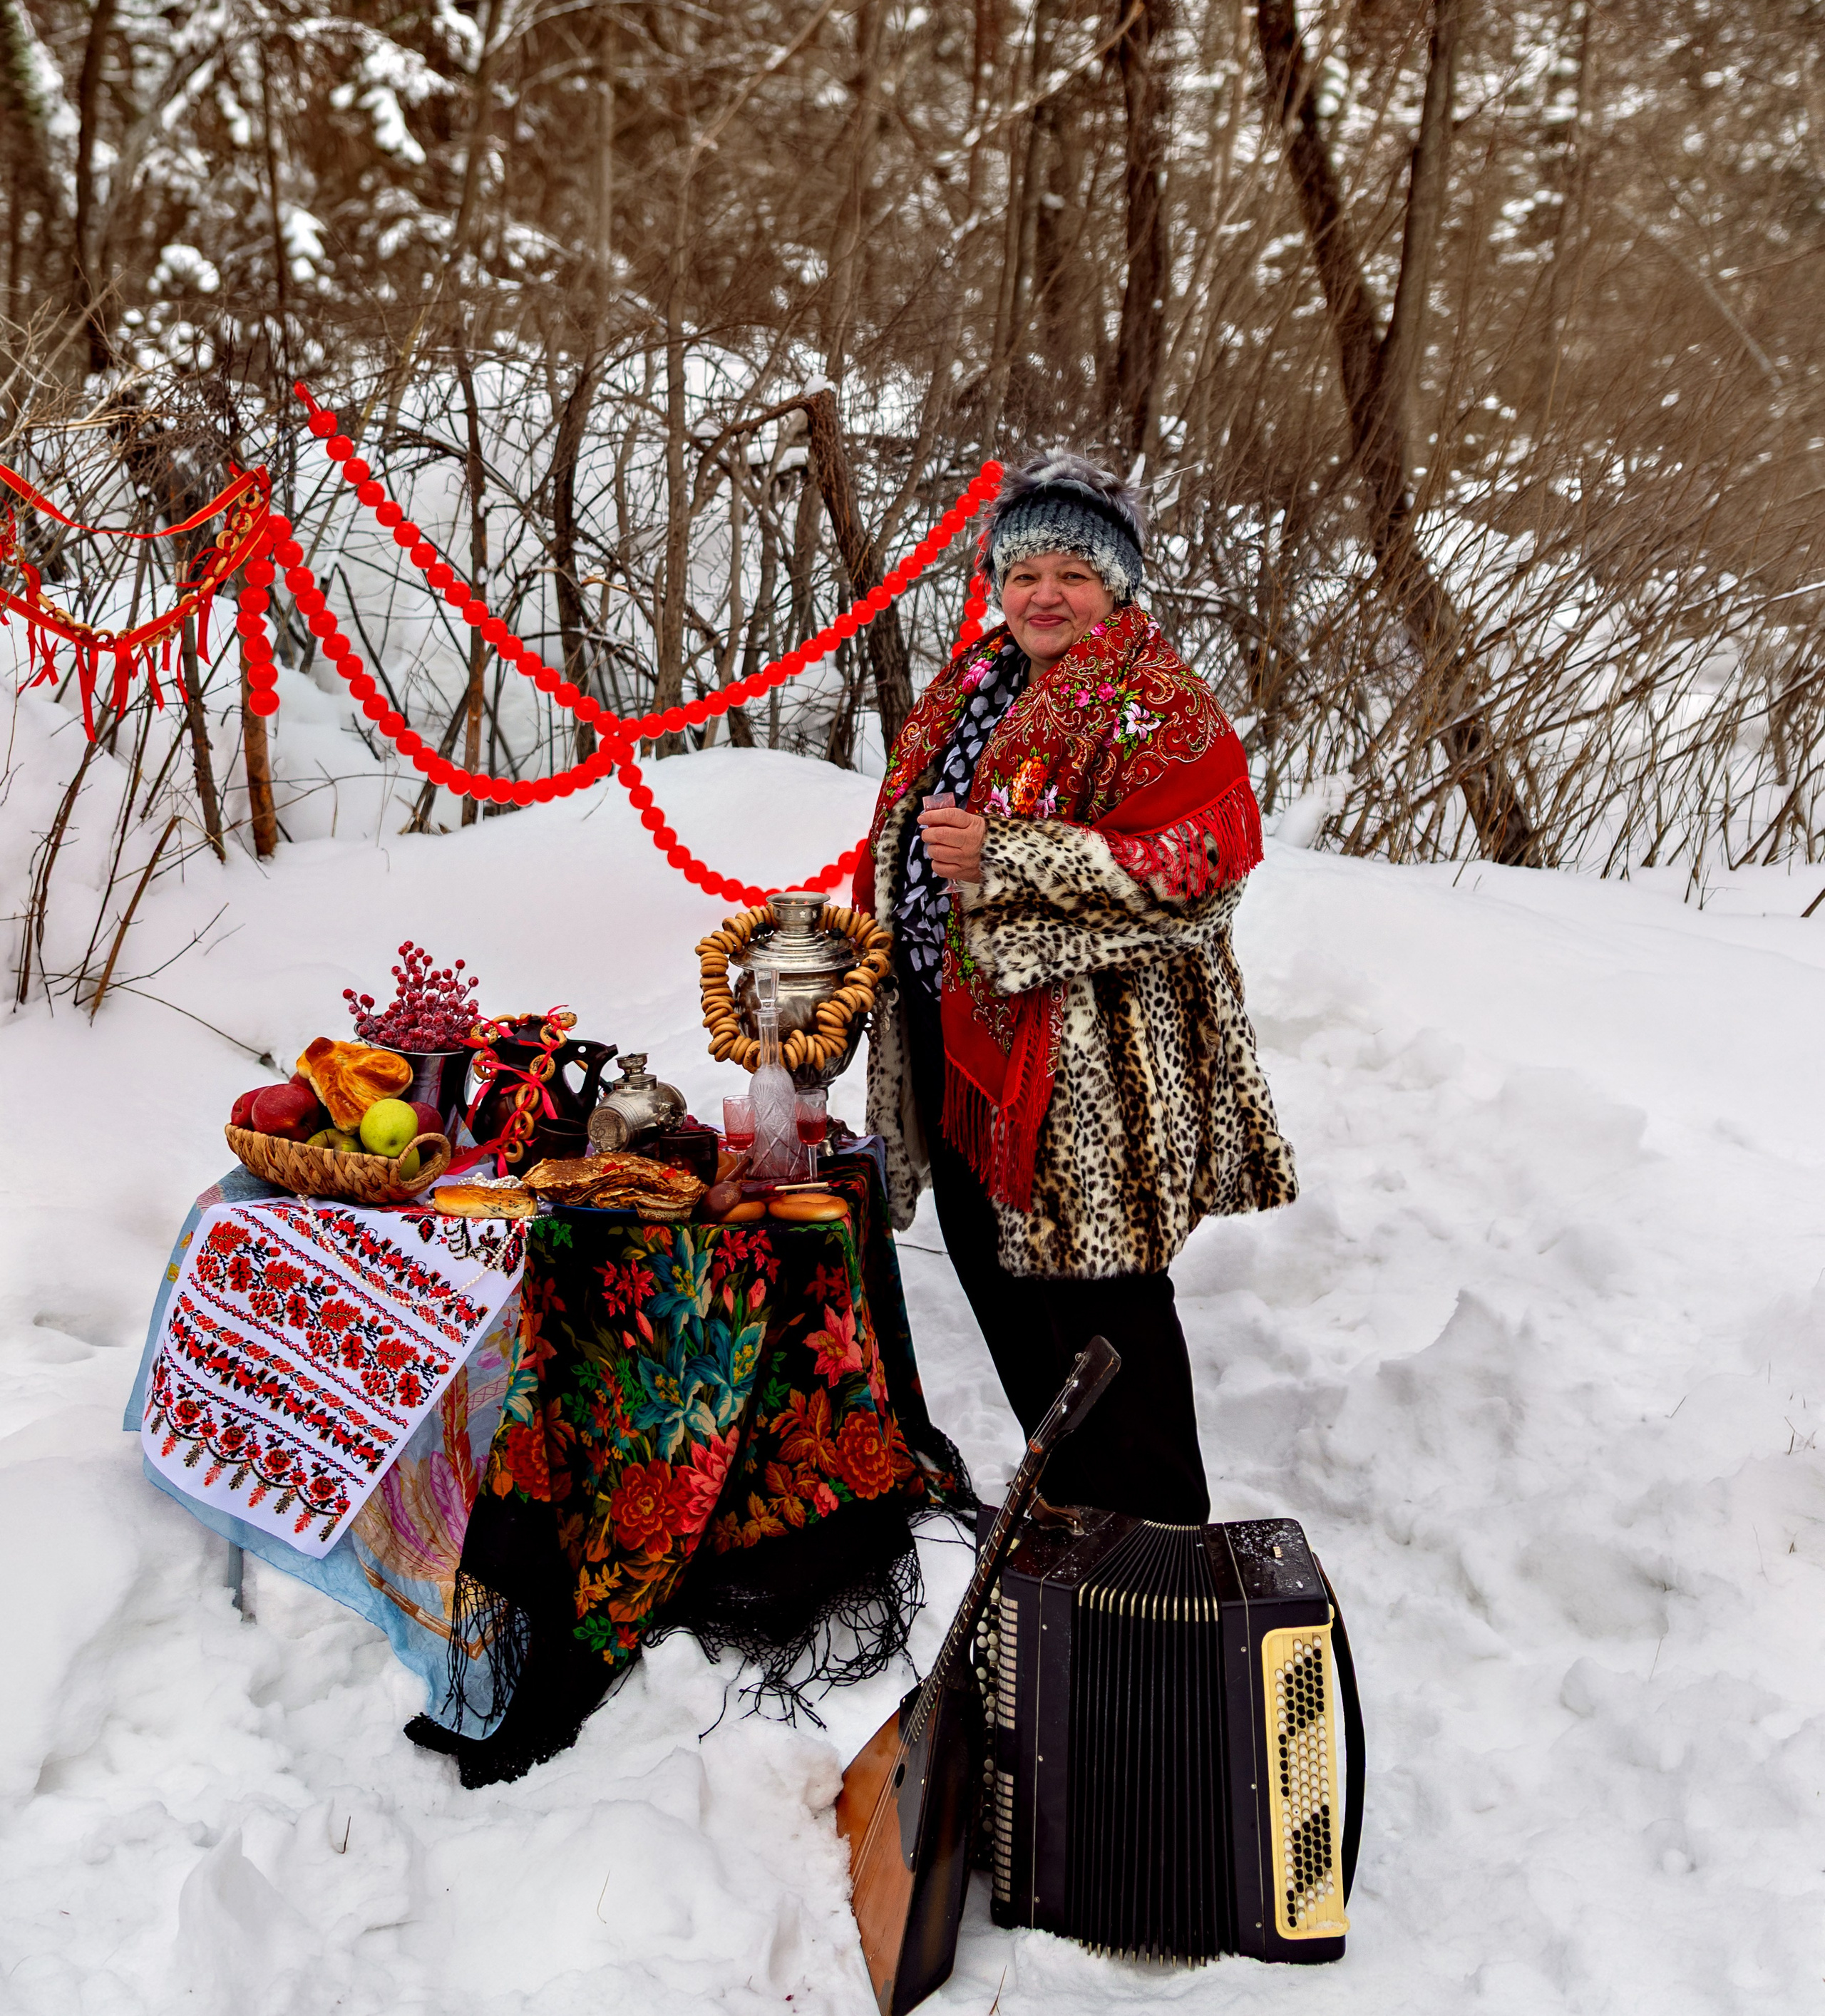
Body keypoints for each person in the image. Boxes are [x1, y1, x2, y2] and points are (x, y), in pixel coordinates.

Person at [855, 452, 1297, 1523]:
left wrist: (1010, 858)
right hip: (961, 1058)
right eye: (1023, 573)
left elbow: (1201, 873)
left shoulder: (1156, 703)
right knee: (1003, 1297)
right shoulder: (973, 685)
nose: (1044, 595)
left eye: (1074, 574)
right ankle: (1075, 1520)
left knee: (1104, 1319)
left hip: (1085, 1075)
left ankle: (1163, 1546)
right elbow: (910, 846)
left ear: (1119, 589)